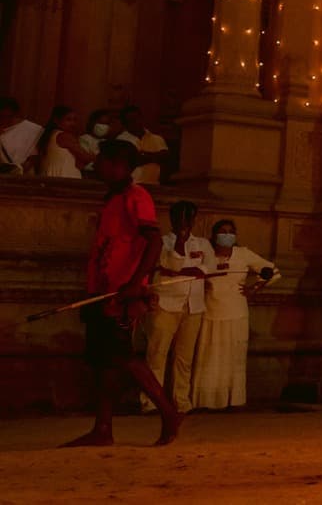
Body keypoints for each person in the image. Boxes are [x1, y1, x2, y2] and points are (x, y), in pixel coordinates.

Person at [62, 138, 181, 447]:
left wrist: (133, 284)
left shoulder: (136, 196)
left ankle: (168, 410)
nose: (97, 164)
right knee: (104, 361)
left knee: (123, 356)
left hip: (122, 295)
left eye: (101, 159)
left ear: (118, 165)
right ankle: (103, 428)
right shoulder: (112, 199)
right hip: (102, 291)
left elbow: (153, 241)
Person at [192, 217, 278, 410]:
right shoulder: (206, 255)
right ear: (214, 235)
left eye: (231, 232)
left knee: (233, 357)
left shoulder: (243, 254)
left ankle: (232, 401)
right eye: (223, 231)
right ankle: (205, 401)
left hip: (236, 311)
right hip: (210, 310)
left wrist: (254, 288)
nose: (227, 235)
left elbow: (272, 271)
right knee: (209, 356)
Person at [147, 201, 209, 413]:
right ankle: (151, 402)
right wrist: (180, 242)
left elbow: (206, 270)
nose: (184, 222)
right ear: (171, 219)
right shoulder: (163, 242)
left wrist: (178, 272)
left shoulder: (203, 244)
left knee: (185, 358)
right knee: (157, 354)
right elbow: (171, 264)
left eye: (188, 218)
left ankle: (181, 402)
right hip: (166, 304)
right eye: (179, 218)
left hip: (194, 307)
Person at [33, 105, 94, 178]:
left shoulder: (50, 134)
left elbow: (79, 163)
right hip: (64, 177)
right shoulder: (63, 136)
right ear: (56, 120)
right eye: (68, 120)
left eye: (75, 120)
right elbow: (86, 157)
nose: (73, 124)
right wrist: (93, 156)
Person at [116, 106, 170, 186]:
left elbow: (165, 157)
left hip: (154, 184)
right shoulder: (120, 140)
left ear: (141, 118)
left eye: (136, 118)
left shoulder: (157, 139)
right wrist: (154, 156)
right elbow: (131, 161)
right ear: (125, 123)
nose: (135, 122)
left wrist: (144, 156)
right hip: (130, 186)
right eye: (130, 120)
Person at [0, 95, 42, 173]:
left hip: (24, 174)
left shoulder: (30, 129)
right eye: (1, 116)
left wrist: (20, 169)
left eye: (8, 116)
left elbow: (34, 156)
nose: (4, 120)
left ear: (15, 114)